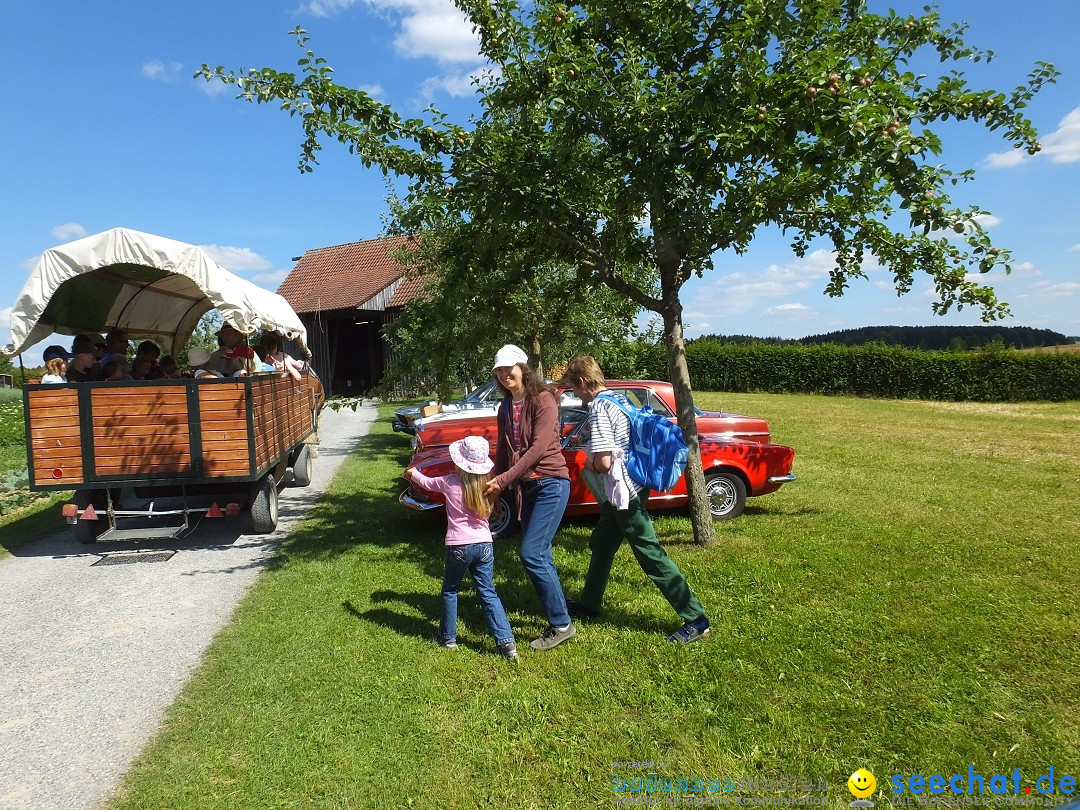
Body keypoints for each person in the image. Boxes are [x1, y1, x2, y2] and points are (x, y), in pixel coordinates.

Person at [560, 355, 712, 644]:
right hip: (634, 484)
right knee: (602, 542)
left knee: (649, 551)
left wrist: (589, 465)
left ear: (581, 382)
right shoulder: (619, 398)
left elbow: (604, 462)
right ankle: (590, 604)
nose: (574, 394)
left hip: (623, 492)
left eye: (573, 387)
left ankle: (696, 618)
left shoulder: (599, 408)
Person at [483, 344, 575, 651]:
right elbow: (503, 452)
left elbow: (537, 449)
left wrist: (503, 480)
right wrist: (497, 489)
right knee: (541, 554)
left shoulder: (543, 399)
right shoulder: (505, 407)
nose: (504, 374)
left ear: (523, 368)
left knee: (531, 553)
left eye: (509, 368)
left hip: (550, 484)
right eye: (499, 370)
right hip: (527, 488)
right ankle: (557, 610)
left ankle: (561, 624)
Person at [403, 435, 519, 660]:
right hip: (485, 545)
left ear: (459, 462)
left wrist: (412, 471)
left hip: (459, 546)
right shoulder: (489, 486)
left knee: (450, 590)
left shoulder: (448, 482)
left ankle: (448, 638)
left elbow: (425, 482)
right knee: (487, 591)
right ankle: (507, 643)